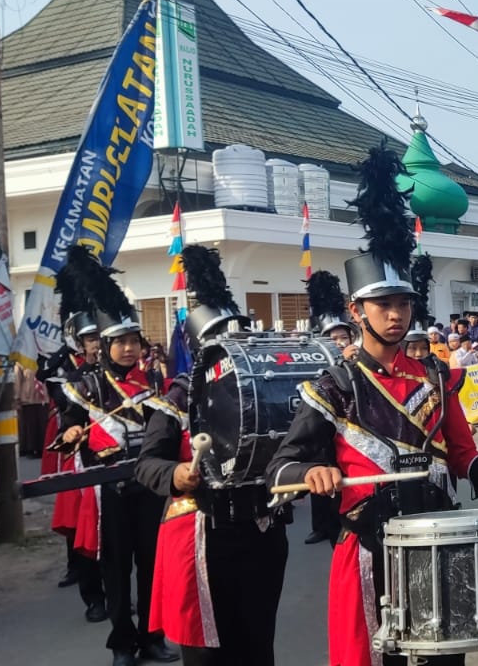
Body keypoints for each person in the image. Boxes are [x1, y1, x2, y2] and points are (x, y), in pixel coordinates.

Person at [266, 148, 478, 666]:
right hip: (369, 546)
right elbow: (281, 467)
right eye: (383, 305)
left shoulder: (436, 377)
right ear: (357, 311)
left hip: (438, 537)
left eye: (403, 303)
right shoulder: (336, 386)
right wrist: (310, 472)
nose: (396, 315)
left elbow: (463, 456)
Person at [137, 244, 290, 666]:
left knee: (258, 647)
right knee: (206, 655)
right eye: (222, 337)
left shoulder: (267, 389)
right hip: (202, 534)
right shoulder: (180, 397)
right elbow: (146, 464)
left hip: (261, 531)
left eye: (237, 335)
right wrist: (175, 475)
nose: (233, 344)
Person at [54, 246, 180, 666]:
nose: (129, 349)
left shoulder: (156, 384)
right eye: (120, 342)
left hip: (150, 485)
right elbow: (69, 428)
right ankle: (122, 644)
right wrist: (72, 432)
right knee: (116, 569)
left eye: (133, 341)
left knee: (152, 565)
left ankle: (153, 637)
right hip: (109, 490)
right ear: (105, 345)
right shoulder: (85, 387)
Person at [38, 304, 107, 620]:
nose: (96, 344)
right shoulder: (72, 379)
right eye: (90, 339)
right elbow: (65, 418)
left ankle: (117, 597)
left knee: (118, 540)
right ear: (80, 343)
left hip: (116, 465)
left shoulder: (121, 377)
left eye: (100, 337)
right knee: (85, 532)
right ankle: (94, 598)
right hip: (84, 463)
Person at [304, 270, 352, 547]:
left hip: (348, 428)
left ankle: (336, 527)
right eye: (334, 338)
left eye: (343, 336)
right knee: (320, 474)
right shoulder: (314, 360)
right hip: (323, 426)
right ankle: (320, 526)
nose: (340, 341)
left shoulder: (357, 356)